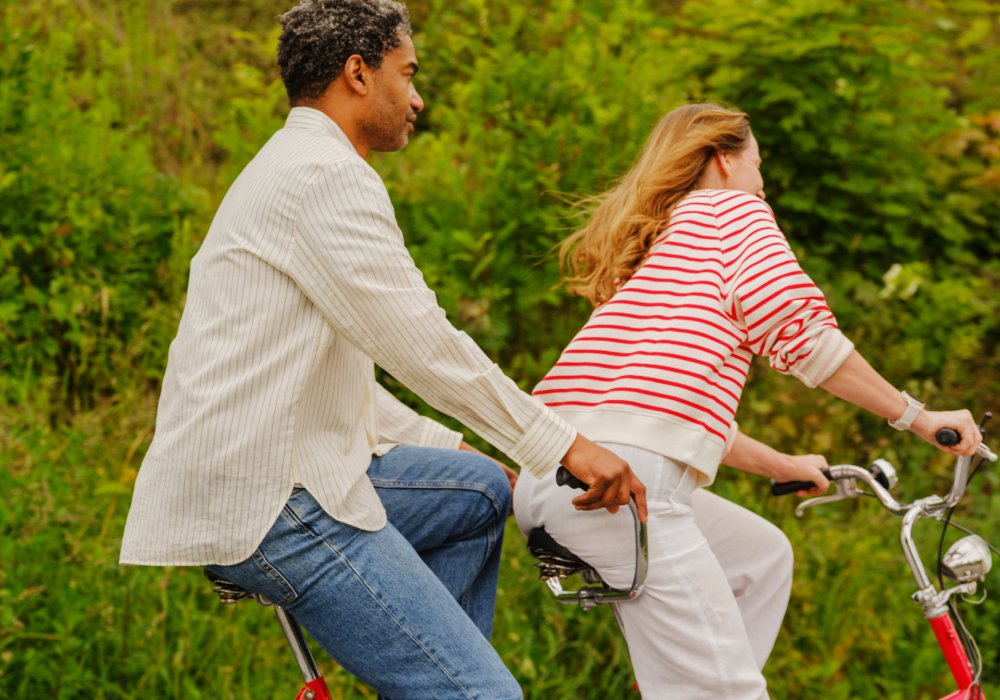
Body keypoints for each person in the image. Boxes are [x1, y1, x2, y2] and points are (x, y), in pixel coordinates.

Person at [118, 1, 647, 698]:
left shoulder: (293, 164)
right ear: (358, 73)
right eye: (409, 73)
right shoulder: (324, 178)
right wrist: (561, 446)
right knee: (487, 696)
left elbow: (333, 373)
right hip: (276, 498)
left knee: (480, 491)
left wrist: (455, 446)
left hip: (266, 472)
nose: (418, 96)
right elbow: (422, 344)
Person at [513, 102, 982, 699]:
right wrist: (918, 417)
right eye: (758, 164)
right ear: (724, 160)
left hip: (552, 475)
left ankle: (692, 681)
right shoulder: (732, 212)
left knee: (761, 557)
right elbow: (804, 337)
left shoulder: (659, 249)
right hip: (625, 486)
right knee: (732, 694)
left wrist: (786, 466)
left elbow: (661, 416)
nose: (763, 182)